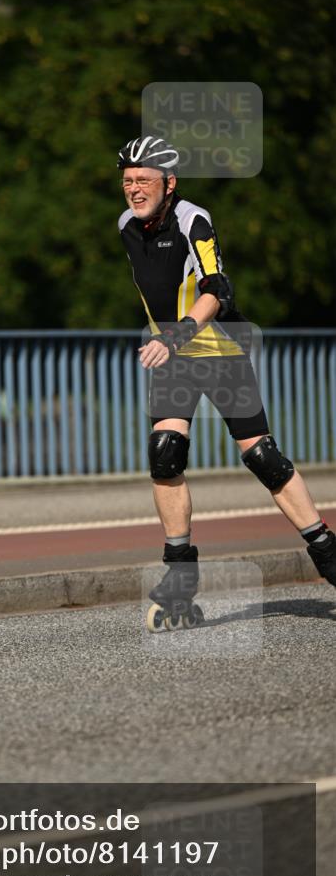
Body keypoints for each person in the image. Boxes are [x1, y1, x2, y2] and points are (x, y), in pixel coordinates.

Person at [116, 135, 336, 626]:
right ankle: (179, 577)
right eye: (128, 180)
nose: (134, 189)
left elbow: (217, 289)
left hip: (219, 350)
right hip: (174, 358)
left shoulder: (194, 219)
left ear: (169, 183)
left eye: (144, 180)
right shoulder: (126, 225)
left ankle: (326, 551)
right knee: (164, 453)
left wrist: (176, 336)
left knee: (262, 457)